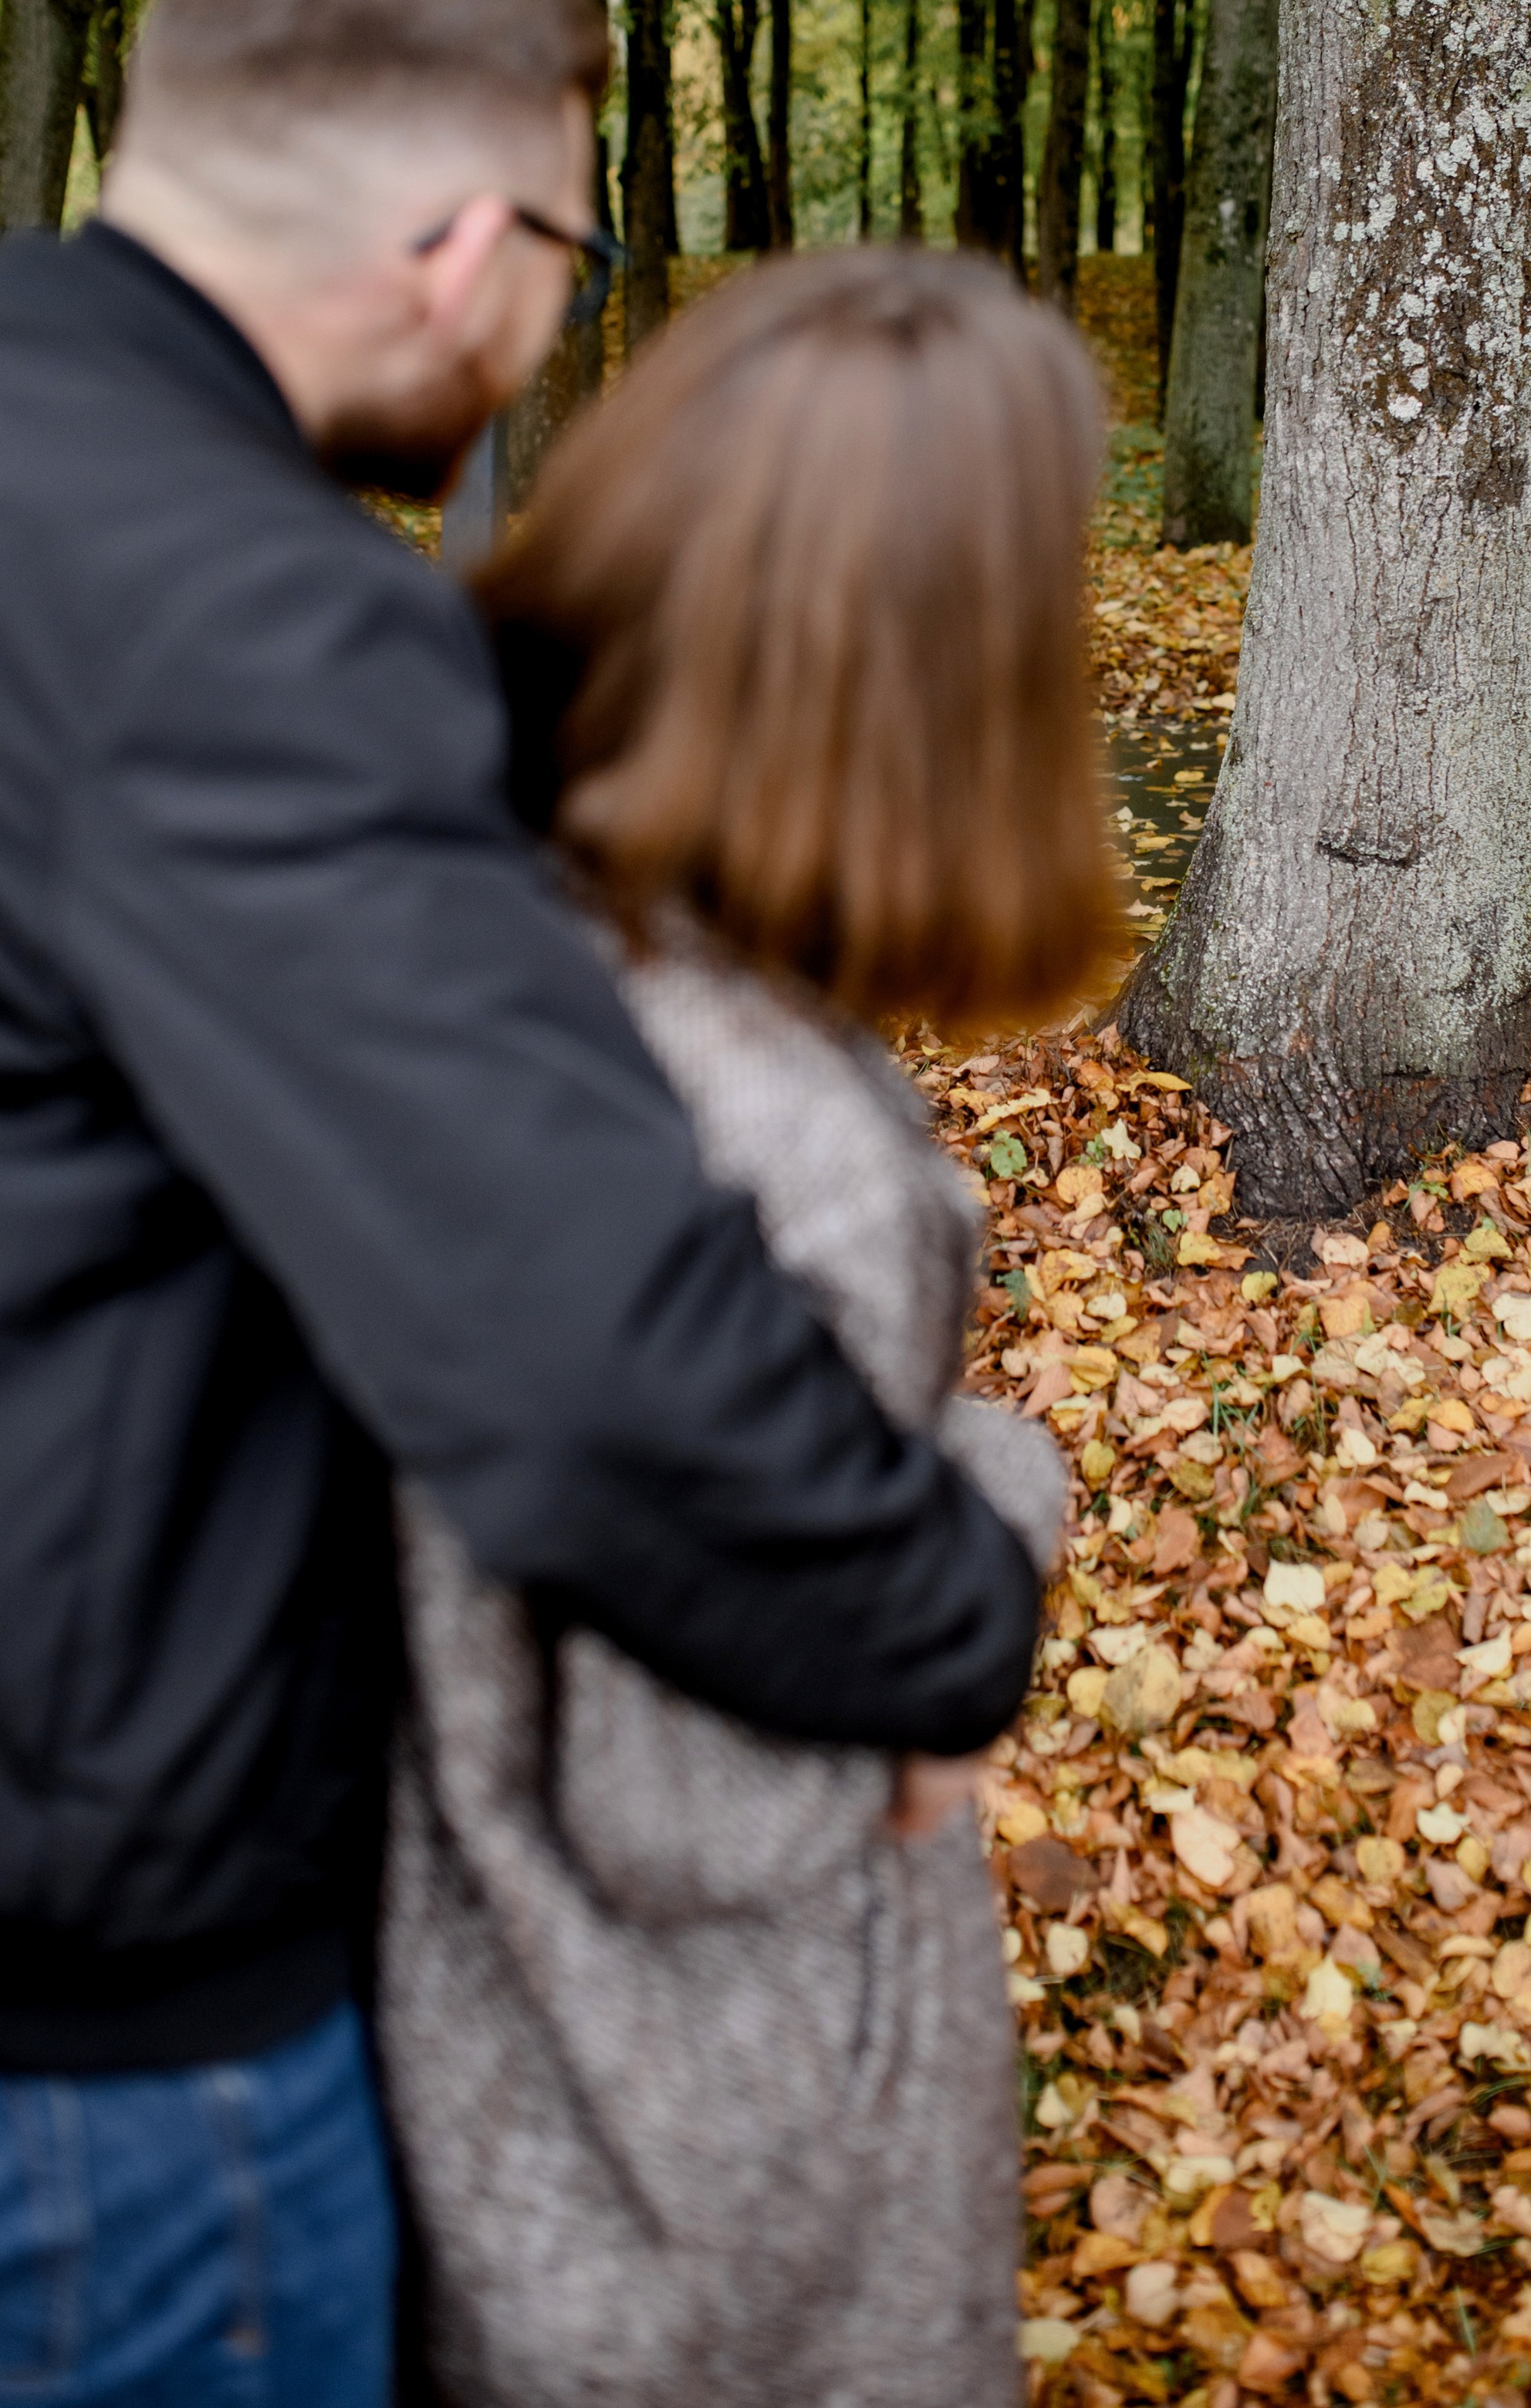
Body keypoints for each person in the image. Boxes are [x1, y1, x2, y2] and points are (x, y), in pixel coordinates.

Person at [0, 0, 1038, 2408]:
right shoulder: (236, 601)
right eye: (571, 253)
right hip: (109, 2039)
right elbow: (591, 1357)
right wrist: (962, 1587)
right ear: (468, 240)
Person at [380, 248, 1116, 2408]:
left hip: (477, 2076)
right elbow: (705, 1808)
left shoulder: (462, 953)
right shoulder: (789, 1152)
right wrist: (1001, 1479)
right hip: (695, 2167)